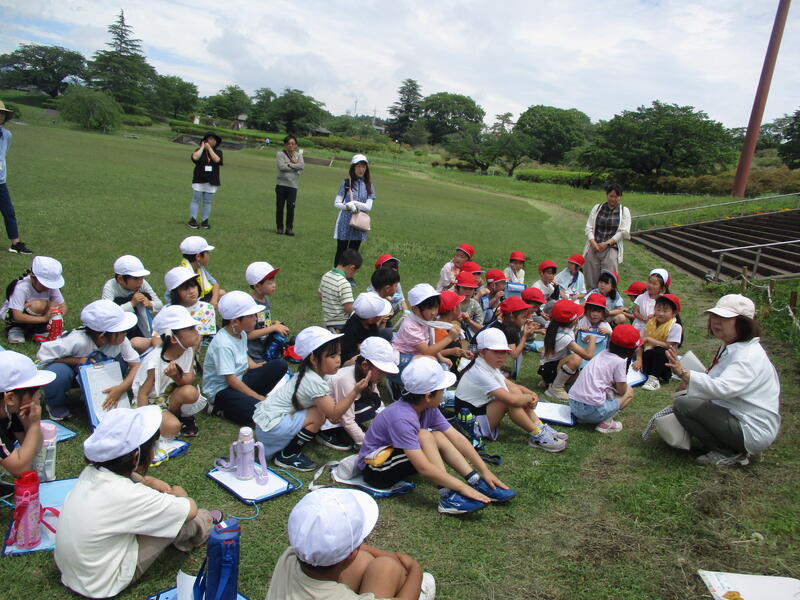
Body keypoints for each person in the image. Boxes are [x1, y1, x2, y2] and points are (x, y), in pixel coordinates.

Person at [55, 406, 214, 599]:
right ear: (136, 456)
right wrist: (179, 493)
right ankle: (205, 526)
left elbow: (129, 481)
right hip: (102, 583)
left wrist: (147, 481)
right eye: (154, 446)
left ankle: (184, 537)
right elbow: (189, 510)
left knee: (161, 516)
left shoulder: (91, 473)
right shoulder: (130, 495)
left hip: (73, 572)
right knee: (186, 519)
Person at [359, 356, 515, 514]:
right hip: (376, 469)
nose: (444, 393)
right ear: (428, 396)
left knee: (437, 435)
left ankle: (475, 480)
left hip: (394, 458)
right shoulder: (401, 418)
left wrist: (484, 470)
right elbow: (423, 468)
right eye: (442, 390)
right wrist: (462, 487)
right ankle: (446, 495)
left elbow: (457, 438)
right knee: (425, 435)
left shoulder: (428, 408)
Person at [666, 294, 781, 467]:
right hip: (737, 415)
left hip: (749, 428)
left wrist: (685, 374)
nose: (715, 322)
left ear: (743, 323)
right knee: (686, 401)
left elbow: (723, 388)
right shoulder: (734, 345)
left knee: (684, 405)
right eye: (714, 316)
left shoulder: (747, 356)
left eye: (724, 318)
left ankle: (727, 452)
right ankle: (727, 444)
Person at [266, 488, 433, 600]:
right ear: (352, 553)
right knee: (388, 567)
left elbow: (352, 553)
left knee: (375, 562)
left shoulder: (288, 557)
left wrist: (389, 556)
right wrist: (415, 570)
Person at [253, 326, 369, 471]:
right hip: (271, 428)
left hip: (267, 424)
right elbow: (334, 415)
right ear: (314, 359)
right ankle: (288, 455)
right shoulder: (314, 381)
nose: (338, 360)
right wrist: (355, 391)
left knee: (318, 410)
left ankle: (288, 448)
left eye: (339, 354)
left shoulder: (310, 372)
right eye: (332, 356)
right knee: (318, 414)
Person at [455, 328, 567, 452]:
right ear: (482, 352)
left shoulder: (487, 365)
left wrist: (531, 393)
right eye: (496, 351)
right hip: (470, 424)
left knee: (516, 394)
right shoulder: (479, 372)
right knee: (509, 402)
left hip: (478, 414)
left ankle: (539, 426)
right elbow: (511, 400)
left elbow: (512, 386)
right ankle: (537, 434)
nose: (501, 356)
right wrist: (529, 398)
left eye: (504, 352)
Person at [38, 300, 141, 421]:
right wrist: (77, 360)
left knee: (120, 362)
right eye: (121, 331)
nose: (125, 333)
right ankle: (55, 404)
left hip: (96, 372)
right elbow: (46, 357)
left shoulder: (122, 341)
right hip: (72, 374)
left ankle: (94, 395)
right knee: (58, 373)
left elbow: (136, 365)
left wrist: (121, 388)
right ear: (102, 337)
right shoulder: (76, 341)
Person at [202, 291, 288, 424]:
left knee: (280, 365)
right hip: (222, 391)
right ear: (235, 321)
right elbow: (231, 380)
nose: (255, 318)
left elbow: (243, 353)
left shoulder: (240, 333)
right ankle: (219, 408)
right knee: (260, 414)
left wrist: (254, 365)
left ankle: (249, 400)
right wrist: (257, 396)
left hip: (240, 379)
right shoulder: (223, 344)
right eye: (251, 315)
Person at [133, 305, 206, 437]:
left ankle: (176, 416)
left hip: (169, 397)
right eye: (190, 329)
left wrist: (176, 377)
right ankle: (166, 421)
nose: (196, 331)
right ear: (173, 338)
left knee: (190, 392)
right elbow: (143, 394)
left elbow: (188, 379)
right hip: (151, 401)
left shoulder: (188, 350)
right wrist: (144, 422)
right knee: (172, 427)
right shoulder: (154, 361)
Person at [318, 336, 398, 450]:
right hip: (324, 416)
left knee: (372, 404)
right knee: (367, 408)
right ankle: (326, 432)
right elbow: (347, 419)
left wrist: (391, 426)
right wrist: (368, 444)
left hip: (342, 411)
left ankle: (344, 430)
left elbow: (378, 401)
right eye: (381, 371)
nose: (383, 376)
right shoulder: (345, 381)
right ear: (365, 365)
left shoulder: (367, 375)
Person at [568, 324, 639, 433]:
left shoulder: (602, 353)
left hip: (573, 405)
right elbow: (622, 390)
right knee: (629, 391)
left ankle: (584, 418)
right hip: (592, 410)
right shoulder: (620, 362)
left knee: (608, 393)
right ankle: (606, 423)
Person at [391, 284, 462, 381]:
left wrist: (441, 358)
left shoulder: (425, 320)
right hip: (401, 359)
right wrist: (449, 338)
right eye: (429, 308)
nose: (434, 312)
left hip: (415, 355)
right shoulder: (410, 326)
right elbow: (427, 351)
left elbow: (430, 343)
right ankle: (400, 383)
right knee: (431, 361)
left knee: (437, 364)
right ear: (415, 308)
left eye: (436, 307)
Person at [0, 351, 55, 476]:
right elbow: (20, 469)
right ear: (10, 398)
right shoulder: (9, 409)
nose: (39, 396)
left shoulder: (11, 411)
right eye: (34, 392)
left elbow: (35, 448)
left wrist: (29, 425)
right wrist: (34, 426)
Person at [101, 255, 163, 351]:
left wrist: (150, 303)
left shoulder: (142, 284)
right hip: (121, 325)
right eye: (135, 279)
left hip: (140, 323)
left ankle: (148, 336)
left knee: (144, 296)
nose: (140, 282)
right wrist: (132, 303)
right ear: (120, 279)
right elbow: (107, 313)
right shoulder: (110, 286)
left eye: (141, 278)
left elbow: (160, 304)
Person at [539, 299, 596, 401]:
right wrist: (593, 338)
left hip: (548, 367)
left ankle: (548, 382)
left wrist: (579, 330)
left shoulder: (554, 326)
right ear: (572, 321)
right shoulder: (564, 337)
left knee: (581, 376)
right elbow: (588, 355)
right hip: (550, 370)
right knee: (576, 359)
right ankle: (556, 388)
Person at [2, 256, 67, 344]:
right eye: (44, 284)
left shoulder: (51, 288)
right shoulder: (21, 288)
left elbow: (63, 307)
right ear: (33, 278)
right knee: (38, 305)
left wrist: (56, 317)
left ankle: (40, 330)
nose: (48, 287)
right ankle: (16, 328)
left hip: (39, 317)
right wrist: (44, 319)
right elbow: (17, 316)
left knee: (54, 304)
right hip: (15, 318)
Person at [582, 183, 631, 289]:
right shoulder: (597, 208)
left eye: (616, 196)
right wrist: (592, 241)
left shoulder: (624, 211)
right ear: (607, 195)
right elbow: (589, 227)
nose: (613, 199)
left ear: (620, 197)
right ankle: (591, 295)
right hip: (594, 246)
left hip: (610, 248)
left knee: (608, 279)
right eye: (611, 196)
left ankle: (607, 297)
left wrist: (607, 243)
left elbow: (623, 232)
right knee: (590, 277)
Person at [0, 100, 33, 254]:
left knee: (9, 211)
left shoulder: (7, 135)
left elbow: (3, 155)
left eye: (2, 113)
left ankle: (16, 244)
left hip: (1, 181)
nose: (0, 116)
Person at [634, 293, 683, 391]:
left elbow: (669, 346)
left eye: (665, 311)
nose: (661, 313)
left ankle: (654, 379)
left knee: (660, 350)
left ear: (674, 313)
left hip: (664, 363)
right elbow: (640, 343)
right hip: (647, 356)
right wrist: (639, 359)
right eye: (658, 309)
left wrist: (649, 339)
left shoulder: (675, 327)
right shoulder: (650, 323)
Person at [245, 261, 290, 363]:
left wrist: (273, 323)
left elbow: (261, 323)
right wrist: (273, 328)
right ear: (257, 286)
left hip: (264, 349)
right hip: (253, 355)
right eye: (270, 283)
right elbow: (248, 335)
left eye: (274, 281)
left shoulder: (265, 300)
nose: (274, 285)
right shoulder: (250, 306)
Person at [333, 154, 374, 267]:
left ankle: (348, 275)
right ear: (353, 167)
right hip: (345, 221)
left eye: (364, 167)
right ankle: (336, 273)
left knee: (353, 252)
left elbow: (368, 207)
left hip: (359, 223)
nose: (361, 169)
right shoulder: (346, 183)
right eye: (358, 166)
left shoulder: (369, 185)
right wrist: (348, 206)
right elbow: (337, 203)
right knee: (341, 250)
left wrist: (354, 203)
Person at [164, 266, 216, 340]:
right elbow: (159, 335)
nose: (191, 291)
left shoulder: (206, 308)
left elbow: (203, 338)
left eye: (193, 286)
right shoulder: (168, 311)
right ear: (175, 293)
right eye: (185, 289)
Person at [339, 292, 393, 364]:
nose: (382, 316)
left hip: (367, 349)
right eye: (380, 315)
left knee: (388, 334)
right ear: (371, 319)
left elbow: (375, 337)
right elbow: (348, 354)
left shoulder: (369, 323)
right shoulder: (351, 329)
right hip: (353, 359)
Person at [319, 249, 361, 333]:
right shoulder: (344, 283)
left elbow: (320, 295)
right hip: (341, 324)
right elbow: (348, 307)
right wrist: (358, 316)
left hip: (327, 321)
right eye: (355, 272)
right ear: (352, 267)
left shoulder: (326, 276)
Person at [187, 132, 223, 230]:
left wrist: (210, 149)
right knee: (196, 200)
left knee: (207, 202)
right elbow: (195, 157)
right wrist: (202, 147)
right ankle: (192, 220)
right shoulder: (199, 150)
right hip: (199, 179)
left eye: (214, 140)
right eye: (210, 139)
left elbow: (217, 160)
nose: (212, 141)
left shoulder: (218, 152)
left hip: (211, 181)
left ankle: (205, 221)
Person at [178, 235, 223, 309]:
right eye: (207, 253)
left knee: (222, 293)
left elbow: (215, 284)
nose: (208, 256)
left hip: (200, 299)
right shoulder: (182, 274)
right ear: (198, 256)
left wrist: (214, 300)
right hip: (189, 305)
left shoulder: (199, 267)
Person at [491, 296, 541, 361]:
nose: (526, 318)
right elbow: (514, 355)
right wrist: (525, 336)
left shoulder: (503, 322)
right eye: (523, 317)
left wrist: (525, 324)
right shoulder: (507, 330)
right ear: (512, 317)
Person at [275, 135, 304, 236]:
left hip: (293, 186)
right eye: (288, 143)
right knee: (280, 207)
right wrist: (295, 166)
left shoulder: (298, 155)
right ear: (285, 145)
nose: (290, 145)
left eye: (293, 143)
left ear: (296, 145)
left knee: (291, 207)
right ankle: (279, 227)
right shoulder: (280, 154)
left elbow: (302, 166)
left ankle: (289, 228)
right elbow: (281, 167)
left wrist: (289, 164)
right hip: (281, 184)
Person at [632, 268, 670, 333]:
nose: (650, 285)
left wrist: (655, 316)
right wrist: (642, 318)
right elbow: (636, 311)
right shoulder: (641, 297)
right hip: (638, 326)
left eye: (654, 284)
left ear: (662, 288)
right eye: (649, 282)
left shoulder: (662, 301)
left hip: (653, 329)